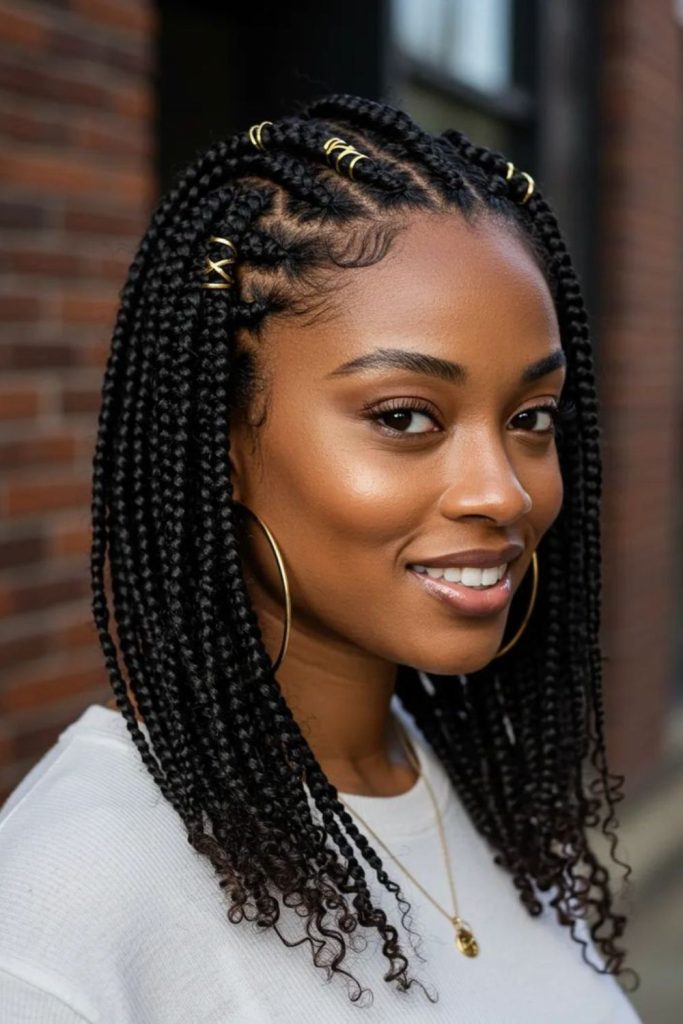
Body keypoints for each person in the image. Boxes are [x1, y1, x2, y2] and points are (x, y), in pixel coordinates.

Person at [0, 93, 643, 1021]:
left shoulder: (477, 784)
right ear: (220, 442)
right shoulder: (63, 916)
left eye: (530, 417)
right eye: (405, 417)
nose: (502, 492)